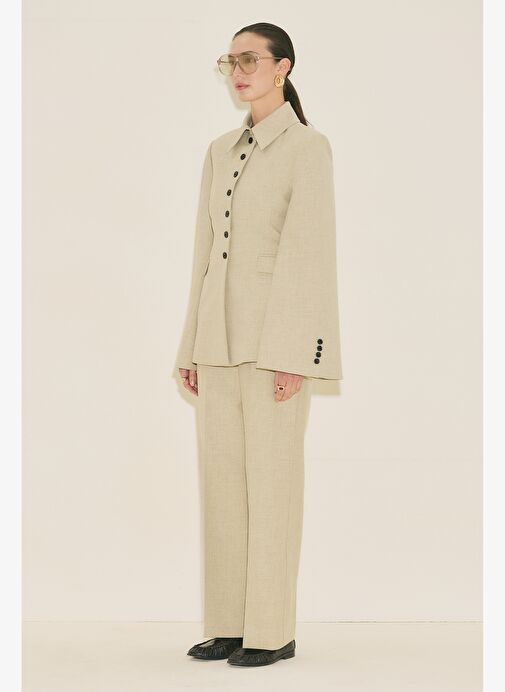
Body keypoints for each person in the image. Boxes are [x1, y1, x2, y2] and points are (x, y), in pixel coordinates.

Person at [175, 22, 343, 667]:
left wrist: (295, 354)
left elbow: (309, 255)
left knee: (272, 486)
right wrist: (190, 346)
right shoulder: (220, 150)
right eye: (231, 61)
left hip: (274, 346)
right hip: (217, 342)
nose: (239, 72)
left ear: (283, 67)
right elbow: (203, 256)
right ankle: (227, 623)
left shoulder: (308, 148)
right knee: (222, 486)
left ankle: (271, 631)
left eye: (250, 60)